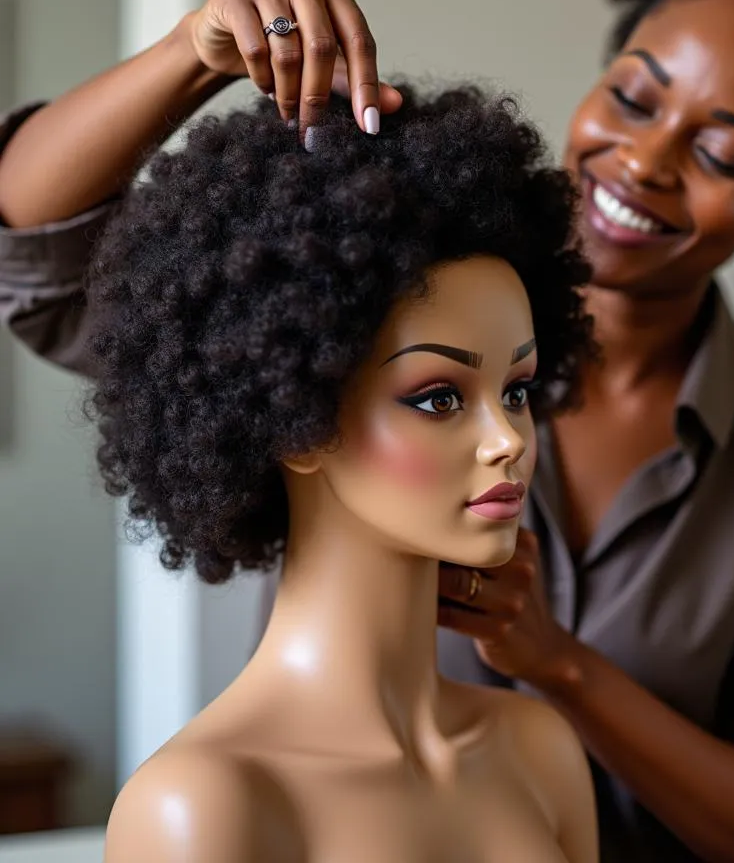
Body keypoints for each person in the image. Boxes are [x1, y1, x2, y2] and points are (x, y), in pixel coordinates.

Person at [0, 0, 734, 860]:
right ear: (295, 409)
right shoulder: (360, 293)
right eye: (633, 96)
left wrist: (558, 666)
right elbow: (32, 253)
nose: (645, 159)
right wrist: (194, 52)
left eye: (719, 152)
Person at [92, 87, 598, 863]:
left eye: (517, 392)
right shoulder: (201, 809)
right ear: (300, 422)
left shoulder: (540, 751)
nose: (509, 441)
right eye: (438, 398)